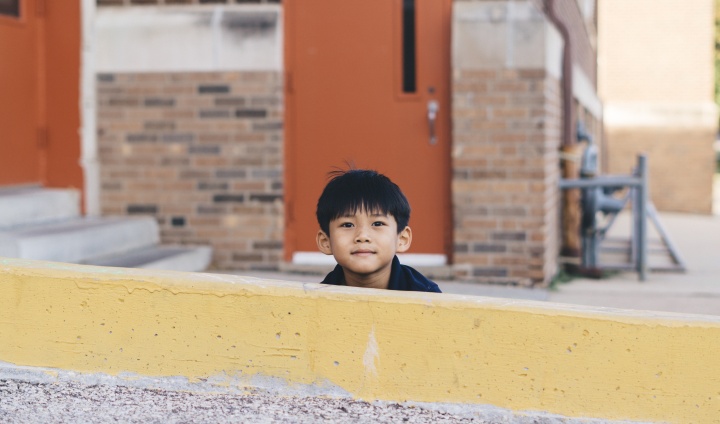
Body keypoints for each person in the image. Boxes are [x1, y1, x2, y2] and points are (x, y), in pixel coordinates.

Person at [315, 168, 441, 293]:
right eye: (347, 225)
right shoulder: (315, 301)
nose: (363, 236)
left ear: (402, 239)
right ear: (325, 241)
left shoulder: (426, 298)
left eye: (377, 223)